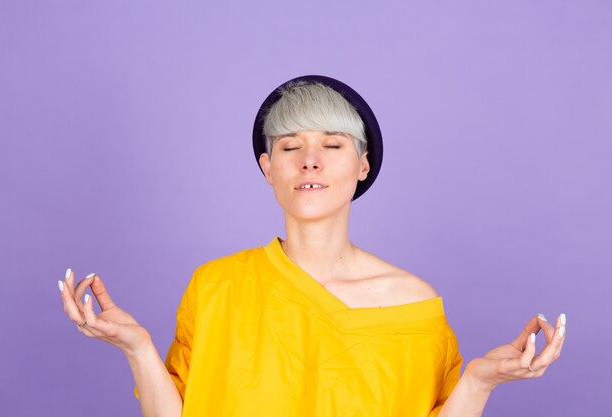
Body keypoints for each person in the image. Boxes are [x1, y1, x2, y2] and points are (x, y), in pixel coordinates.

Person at [58, 75, 567, 417]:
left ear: (362, 166)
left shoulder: (413, 303)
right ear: (268, 168)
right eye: (289, 146)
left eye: (332, 144)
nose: (310, 161)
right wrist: (138, 348)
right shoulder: (216, 286)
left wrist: (478, 381)